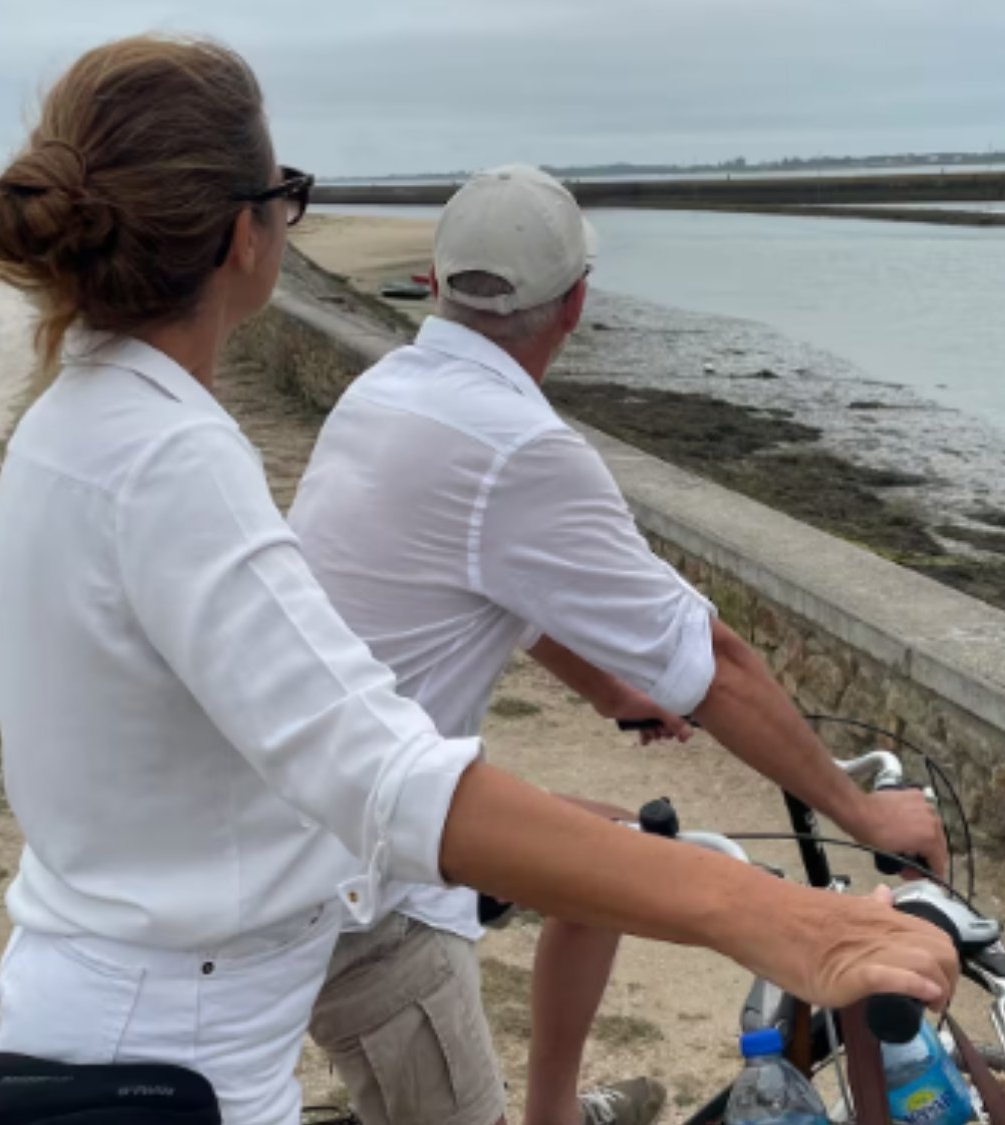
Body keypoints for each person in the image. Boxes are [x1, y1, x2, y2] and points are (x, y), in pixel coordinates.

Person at [0, 38, 956, 1125]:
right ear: (247, 232)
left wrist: (599, 685)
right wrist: (783, 920)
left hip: (127, 978)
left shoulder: (79, 418)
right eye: (288, 197)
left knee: (609, 848)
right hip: (178, 1053)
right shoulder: (171, 458)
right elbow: (388, 779)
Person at [287, 165, 952, 1125]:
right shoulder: (523, 448)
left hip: (330, 784)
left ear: (435, 284)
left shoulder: (388, 389)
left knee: (619, 849)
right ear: (577, 305)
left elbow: (495, 577)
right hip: (358, 887)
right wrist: (862, 813)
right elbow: (715, 663)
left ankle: (553, 1114)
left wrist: (608, 688)